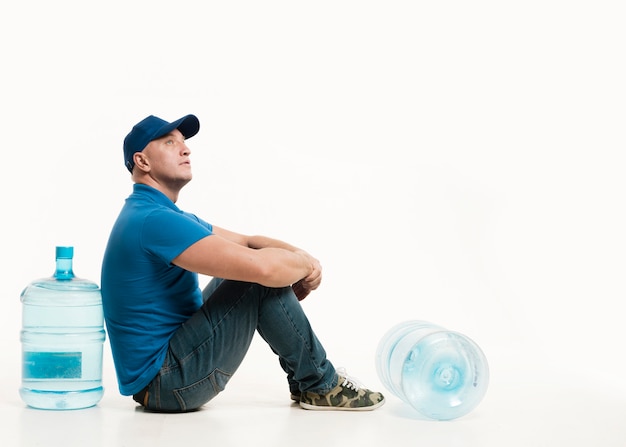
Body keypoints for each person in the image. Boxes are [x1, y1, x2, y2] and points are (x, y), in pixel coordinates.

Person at [101, 114, 385, 413]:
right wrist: (301, 266)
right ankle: (319, 385)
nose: (186, 150)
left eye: (184, 143)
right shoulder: (154, 221)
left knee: (249, 269)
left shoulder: (159, 214)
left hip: (165, 377)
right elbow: (264, 268)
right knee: (253, 277)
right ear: (142, 162)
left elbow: (249, 242)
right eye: (170, 142)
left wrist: (306, 259)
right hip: (167, 383)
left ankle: (310, 383)